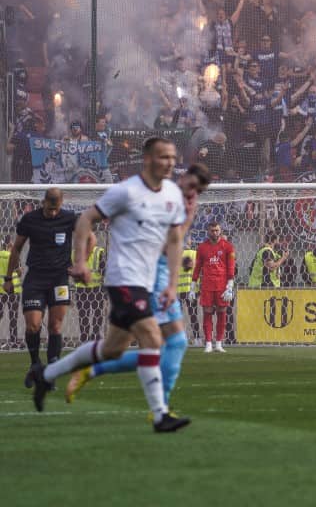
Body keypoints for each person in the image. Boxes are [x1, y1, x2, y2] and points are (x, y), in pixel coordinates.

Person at [30, 137, 191, 432]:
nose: (169, 162)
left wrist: (171, 285)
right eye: (162, 156)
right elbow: (85, 220)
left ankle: (46, 374)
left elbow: (175, 239)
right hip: (123, 279)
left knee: (112, 349)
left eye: (172, 157)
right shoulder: (125, 191)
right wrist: (81, 262)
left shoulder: (172, 194)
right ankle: (160, 415)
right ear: (147, 159)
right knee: (152, 337)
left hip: (146, 283)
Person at [65, 166, 211, 407]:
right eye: (192, 187)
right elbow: (160, 243)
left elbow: (172, 243)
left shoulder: (182, 203)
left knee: (151, 348)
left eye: (199, 191)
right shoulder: (164, 199)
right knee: (168, 344)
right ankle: (160, 408)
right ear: (183, 179)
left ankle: (91, 371)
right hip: (149, 276)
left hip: (159, 275)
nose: (193, 194)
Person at [4, 189, 85, 382]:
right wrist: (8, 277)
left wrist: (80, 263)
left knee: (55, 326)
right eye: (49, 209)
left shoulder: (69, 218)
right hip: (35, 278)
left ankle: (52, 371)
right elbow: (17, 248)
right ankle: (35, 364)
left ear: (61, 203)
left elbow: (89, 237)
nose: (53, 213)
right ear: (44, 203)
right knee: (33, 325)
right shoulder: (30, 219)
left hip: (59, 279)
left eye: (56, 209)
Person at [193, 220, 235, 354]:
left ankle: (219, 343)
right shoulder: (202, 247)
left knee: (222, 312)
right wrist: (193, 284)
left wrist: (230, 285)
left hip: (222, 285)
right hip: (207, 285)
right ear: (208, 231)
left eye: (217, 230)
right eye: (212, 231)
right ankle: (208, 343)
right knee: (207, 313)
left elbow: (231, 266)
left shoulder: (228, 246)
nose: (215, 233)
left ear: (220, 230)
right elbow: (197, 266)